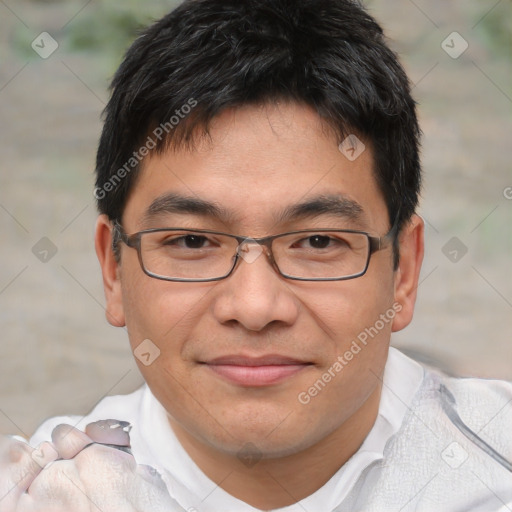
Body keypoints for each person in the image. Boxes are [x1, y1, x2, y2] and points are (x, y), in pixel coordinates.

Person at [1, 0, 511, 510]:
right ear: (113, 271)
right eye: (192, 241)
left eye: (318, 242)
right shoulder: (39, 493)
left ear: (405, 270)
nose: (254, 307)